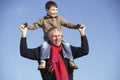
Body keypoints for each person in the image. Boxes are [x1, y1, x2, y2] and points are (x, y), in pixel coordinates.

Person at [21, 1, 82, 70]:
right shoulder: (43, 20)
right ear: (47, 10)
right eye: (53, 10)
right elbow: (35, 25)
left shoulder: (59, 19)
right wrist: (27, 26)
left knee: (67, 45)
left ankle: (71, 60)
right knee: (44, 46)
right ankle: (43, 61)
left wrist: (76, 26)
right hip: (48, 40)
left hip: (59, 39)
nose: (55, 11)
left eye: (56, 9)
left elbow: (68, 24)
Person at [20, 24, 89, 80]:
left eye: (59, 36)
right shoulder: (42, 50)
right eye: (54, 36)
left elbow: (84, 51)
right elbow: (24, 52)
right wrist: (24, 34)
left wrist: (82, 33)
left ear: (62, 37)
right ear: (49, 38)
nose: (57, 38)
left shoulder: (68, 50)